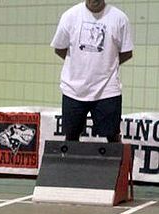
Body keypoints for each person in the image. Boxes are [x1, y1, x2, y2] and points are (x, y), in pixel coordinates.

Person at [51, 0, 133, 142]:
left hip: (107, 90)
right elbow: (59, 48)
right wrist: (79, 63)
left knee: (112, 137)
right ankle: (72, 164)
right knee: (71, 137)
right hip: (73, 89)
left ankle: (115, 165)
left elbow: (127, 52)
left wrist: (106, 65)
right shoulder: (70, 16)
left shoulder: (120, 18)